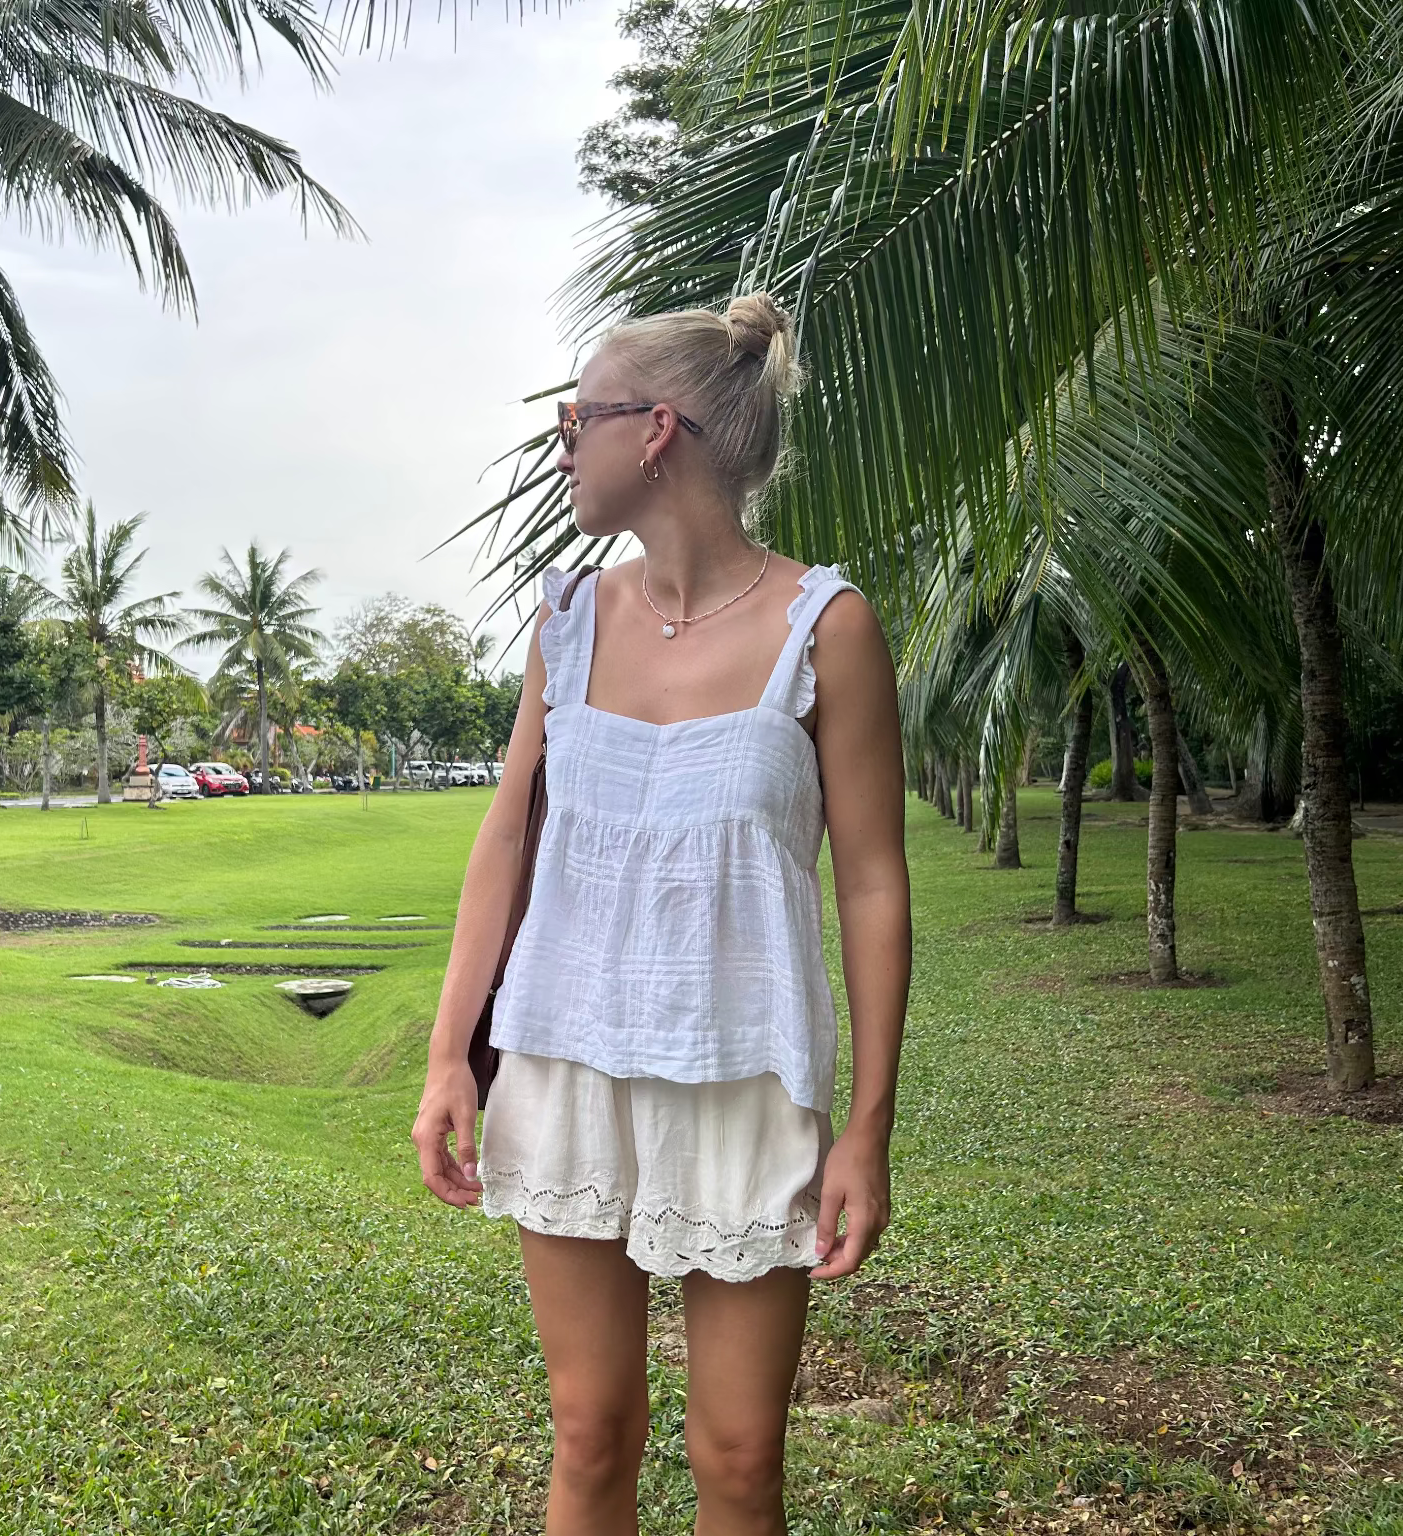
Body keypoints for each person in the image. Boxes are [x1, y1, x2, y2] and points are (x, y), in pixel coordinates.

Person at [412, 293, 912, 1535]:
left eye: (575, 419)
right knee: (591, 1432)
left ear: (655, 432)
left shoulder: (827, 628)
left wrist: (868, 1126)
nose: (561, 446)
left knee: (739, 1457)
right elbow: (508, 838)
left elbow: (872, 882)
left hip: (746, 1075)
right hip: (565, 1061)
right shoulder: (568, 624)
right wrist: (447, 1054)